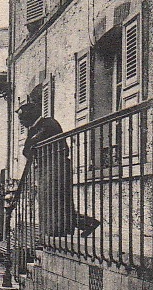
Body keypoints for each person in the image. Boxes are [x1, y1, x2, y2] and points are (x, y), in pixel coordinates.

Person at [18, 99, 100, 237]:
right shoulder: (34, 129)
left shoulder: (48, 123)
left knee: (58, 203)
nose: (21, 122)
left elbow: (31, 146)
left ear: (29, 115)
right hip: (47, 168)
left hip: (57, 167)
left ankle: (69, 228)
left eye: (21, 118)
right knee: (54, 204)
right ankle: (87, 223)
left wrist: (31, 140)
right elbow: (27, 151)